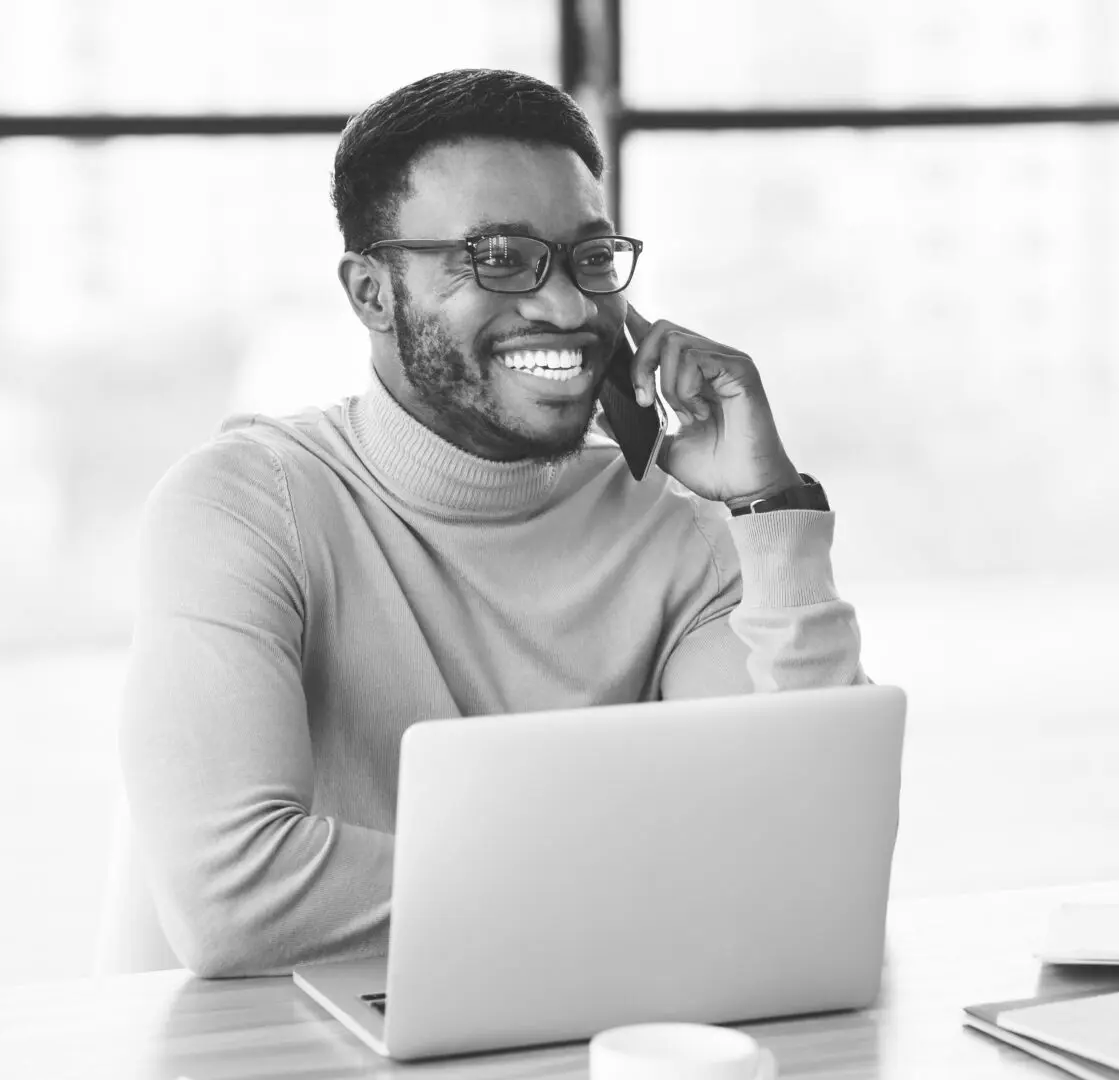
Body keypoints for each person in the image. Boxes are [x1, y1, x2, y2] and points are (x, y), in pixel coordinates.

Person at [118, 68, 865, 978]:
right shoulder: (244, 507)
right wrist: (665, 881)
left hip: (584, 1034)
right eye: (498, 258)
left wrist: (768, 506)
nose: (566, 307)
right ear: (371, 292)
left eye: (591, 258)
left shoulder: (681, 528)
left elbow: (814, 852)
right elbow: (238, 901)